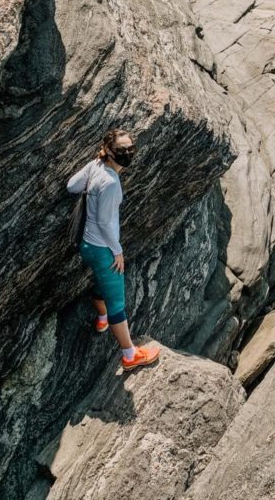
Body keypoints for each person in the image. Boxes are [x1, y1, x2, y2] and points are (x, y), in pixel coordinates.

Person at [67, 129, 160, 371]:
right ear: (109, 150)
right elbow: (104, 222)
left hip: (87, 245)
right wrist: (117, 252)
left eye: (130, 149)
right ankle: (130, 355)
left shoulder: (96, 166)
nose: (127, 153)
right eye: (121, 150)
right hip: (102, 248)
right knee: (117, 302)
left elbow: (72, 186)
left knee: (103, 283)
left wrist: (91, 178)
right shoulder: (110, 182)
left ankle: (101, 319)